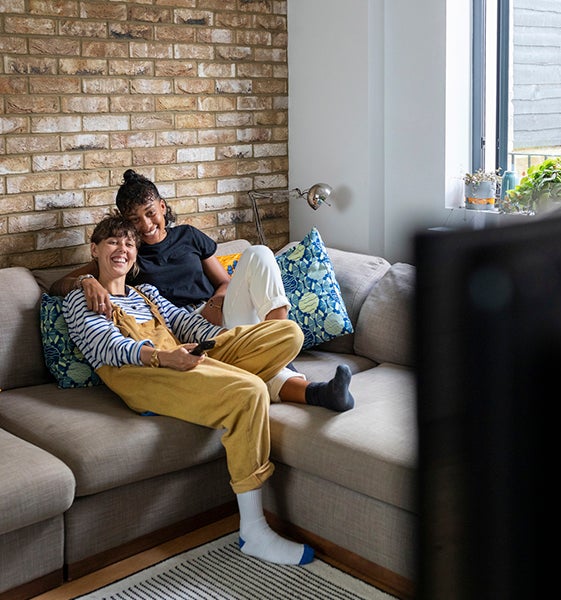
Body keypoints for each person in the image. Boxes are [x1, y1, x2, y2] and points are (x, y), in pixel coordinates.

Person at [63, 214, 314, 566]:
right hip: (142, 375)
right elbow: (108, 347)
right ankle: (254, 531)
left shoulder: (147, 293)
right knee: (250, 391)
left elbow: (187, 323)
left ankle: (225, 380)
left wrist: (227, 341)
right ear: (95, 250)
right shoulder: (80, 299)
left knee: (287, 334)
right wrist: (166, 357)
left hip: (181, 358)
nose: (122, 249)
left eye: (129, 243)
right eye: (113, 242)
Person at [51, 169, 353, 412]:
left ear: (162, 207)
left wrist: (216, 303)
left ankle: (278, 346)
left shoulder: (188, 236)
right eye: (134, 220)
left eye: (150, 213)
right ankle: (319, 393)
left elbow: (225, 281)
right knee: (248, 366)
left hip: (219, 313)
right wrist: (86, 281)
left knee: (259, 253)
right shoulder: (127, 253)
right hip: (184, 330)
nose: (145, 224)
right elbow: (57, 285)